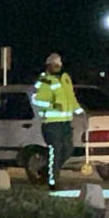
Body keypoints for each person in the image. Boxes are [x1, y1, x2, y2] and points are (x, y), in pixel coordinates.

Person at [33, 51, 80, 188]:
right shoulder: (44, 80)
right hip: (51, 124)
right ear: (48, 66)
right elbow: (36, 100)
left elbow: (71, 98)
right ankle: (52, 182)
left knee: (68, 150)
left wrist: (79, 110)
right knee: (56, 151)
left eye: (58, 65)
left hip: (65, 123)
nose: (57, 67)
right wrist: (52, 105)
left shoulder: (65, 79)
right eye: (54, 65)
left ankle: (47, 172)